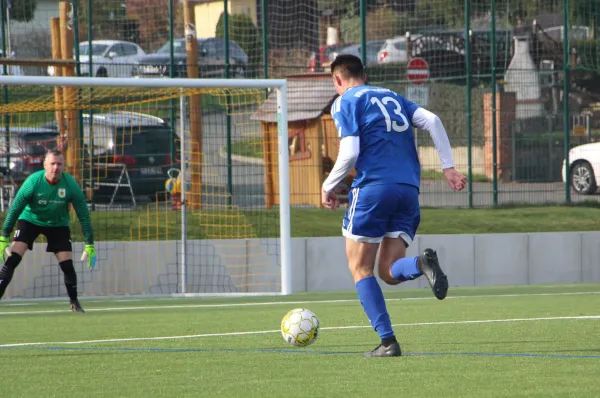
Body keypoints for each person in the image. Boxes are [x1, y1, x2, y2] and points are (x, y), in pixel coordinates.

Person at [322, 54, 467, 357]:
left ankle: (388, 342)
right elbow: (433, 121)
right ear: (364, 74)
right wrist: (448, 167)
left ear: (338, 79)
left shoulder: (346, 100)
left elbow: (349, 152)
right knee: (388, 271)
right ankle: (421, 264)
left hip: (374, 188)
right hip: (408, 191)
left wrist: (327, 185)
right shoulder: (393, 96)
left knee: (360, 268)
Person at [0, 150, 97, 312]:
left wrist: (90, 243)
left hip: (58, 224)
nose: (55, 167)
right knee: (13, 259)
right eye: (52, 163)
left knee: (67, 266)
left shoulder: (70, 184)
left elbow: (84, 215)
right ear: (45, 165)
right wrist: (4, 236)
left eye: (59, 164)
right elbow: (15, 209)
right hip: (30, 220)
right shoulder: (33, 182)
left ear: (64, 166)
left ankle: (74, 302)